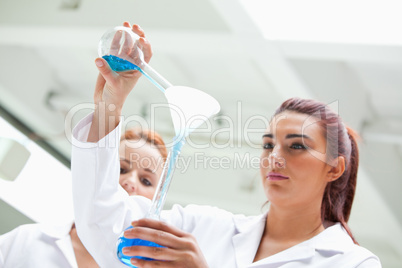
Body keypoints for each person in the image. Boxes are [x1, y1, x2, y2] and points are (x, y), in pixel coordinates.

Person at [70, 22, 382, 268]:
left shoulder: (352, 262)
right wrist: (110, 105)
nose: (274, 157)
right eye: (268, 144)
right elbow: (103, 224)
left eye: (296, 146)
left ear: (334, 168)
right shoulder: (203, 226)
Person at [0, 32, 168, 265]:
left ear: (157, 200)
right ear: (99, 165)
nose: (130, 182)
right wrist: (111, 105)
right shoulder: (25, 242)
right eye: (120, 169)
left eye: (146, 181)